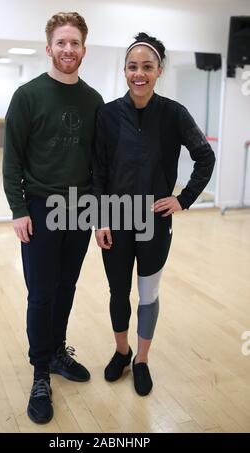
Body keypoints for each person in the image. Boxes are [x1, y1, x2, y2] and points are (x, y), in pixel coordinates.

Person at [93, 33, 215, 397]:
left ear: (159, 70)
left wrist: (183, 199)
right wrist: (100, 218)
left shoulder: (174, 113)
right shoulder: (107, 114)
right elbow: (98, 171)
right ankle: (121, 351)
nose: (139, 73)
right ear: (125, 71)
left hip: (155, 223)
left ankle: (142, 360)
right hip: (114, 220)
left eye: (147, 66)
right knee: (119, 292)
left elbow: (204, 157)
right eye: (133, 67)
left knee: (148, 294)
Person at [3, 12, 103, 424]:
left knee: (66, 286)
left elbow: (98, 164)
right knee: (41, 293)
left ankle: (58, 351)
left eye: (75, 43)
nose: (68, 50)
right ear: (49, 47)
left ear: (84, 49)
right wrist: (19, 210)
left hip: (79, 209)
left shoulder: (94, 100)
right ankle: (40, 370)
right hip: (42, 209)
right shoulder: (27, 96)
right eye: (61, 42)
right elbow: (12, 160)